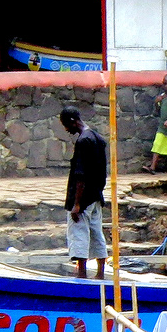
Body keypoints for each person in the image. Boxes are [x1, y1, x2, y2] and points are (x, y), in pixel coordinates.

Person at [60, 105, 109, 279]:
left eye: (66, 125)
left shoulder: (83, 141)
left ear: (73, 122)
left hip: (83, 199)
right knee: (97, 234)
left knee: (79, 235)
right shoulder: (98, 138)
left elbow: (80, 175)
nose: (66, 129)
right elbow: (102, 172)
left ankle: (82, 275)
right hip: (96, 196)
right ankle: (100, 274)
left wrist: (77, 204)